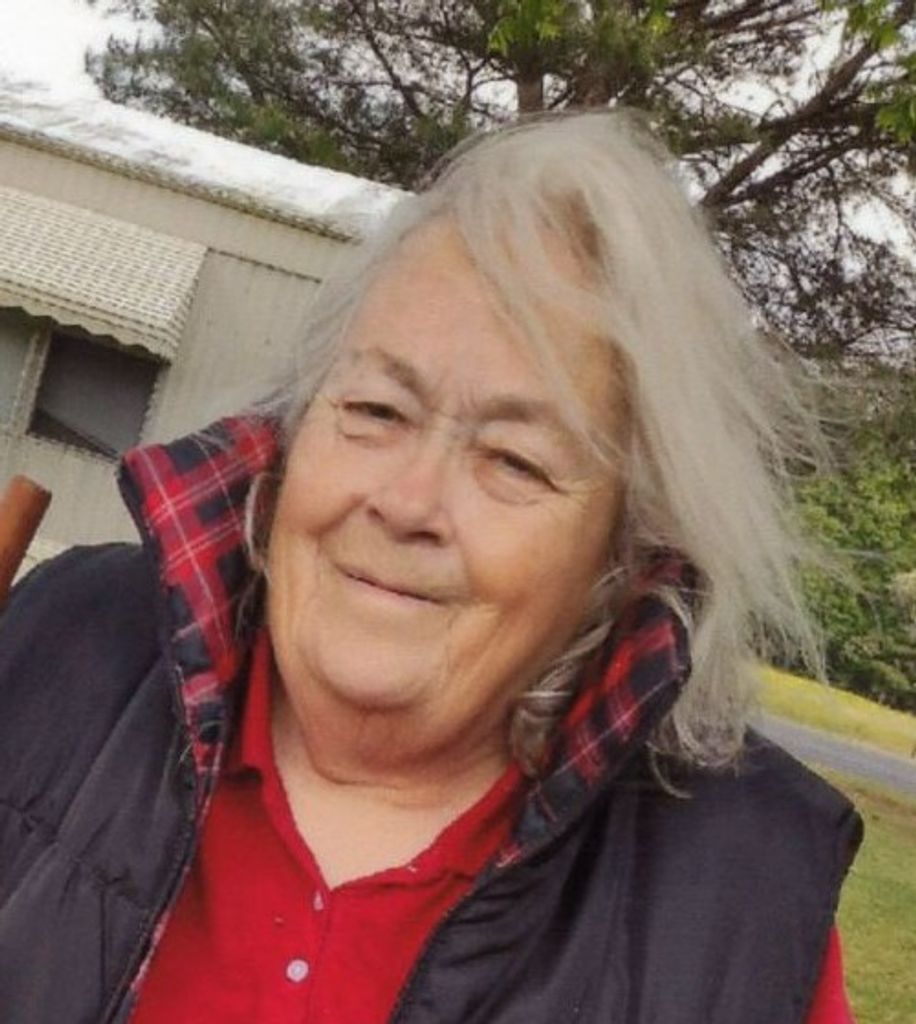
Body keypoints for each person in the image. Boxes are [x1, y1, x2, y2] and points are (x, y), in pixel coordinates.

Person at [0, 112, 861, 1024]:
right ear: (294, 430)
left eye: (514, 462)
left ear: (623, 556)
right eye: (377, 410)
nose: (407, 503)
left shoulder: (741, 901)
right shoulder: (54, 644)